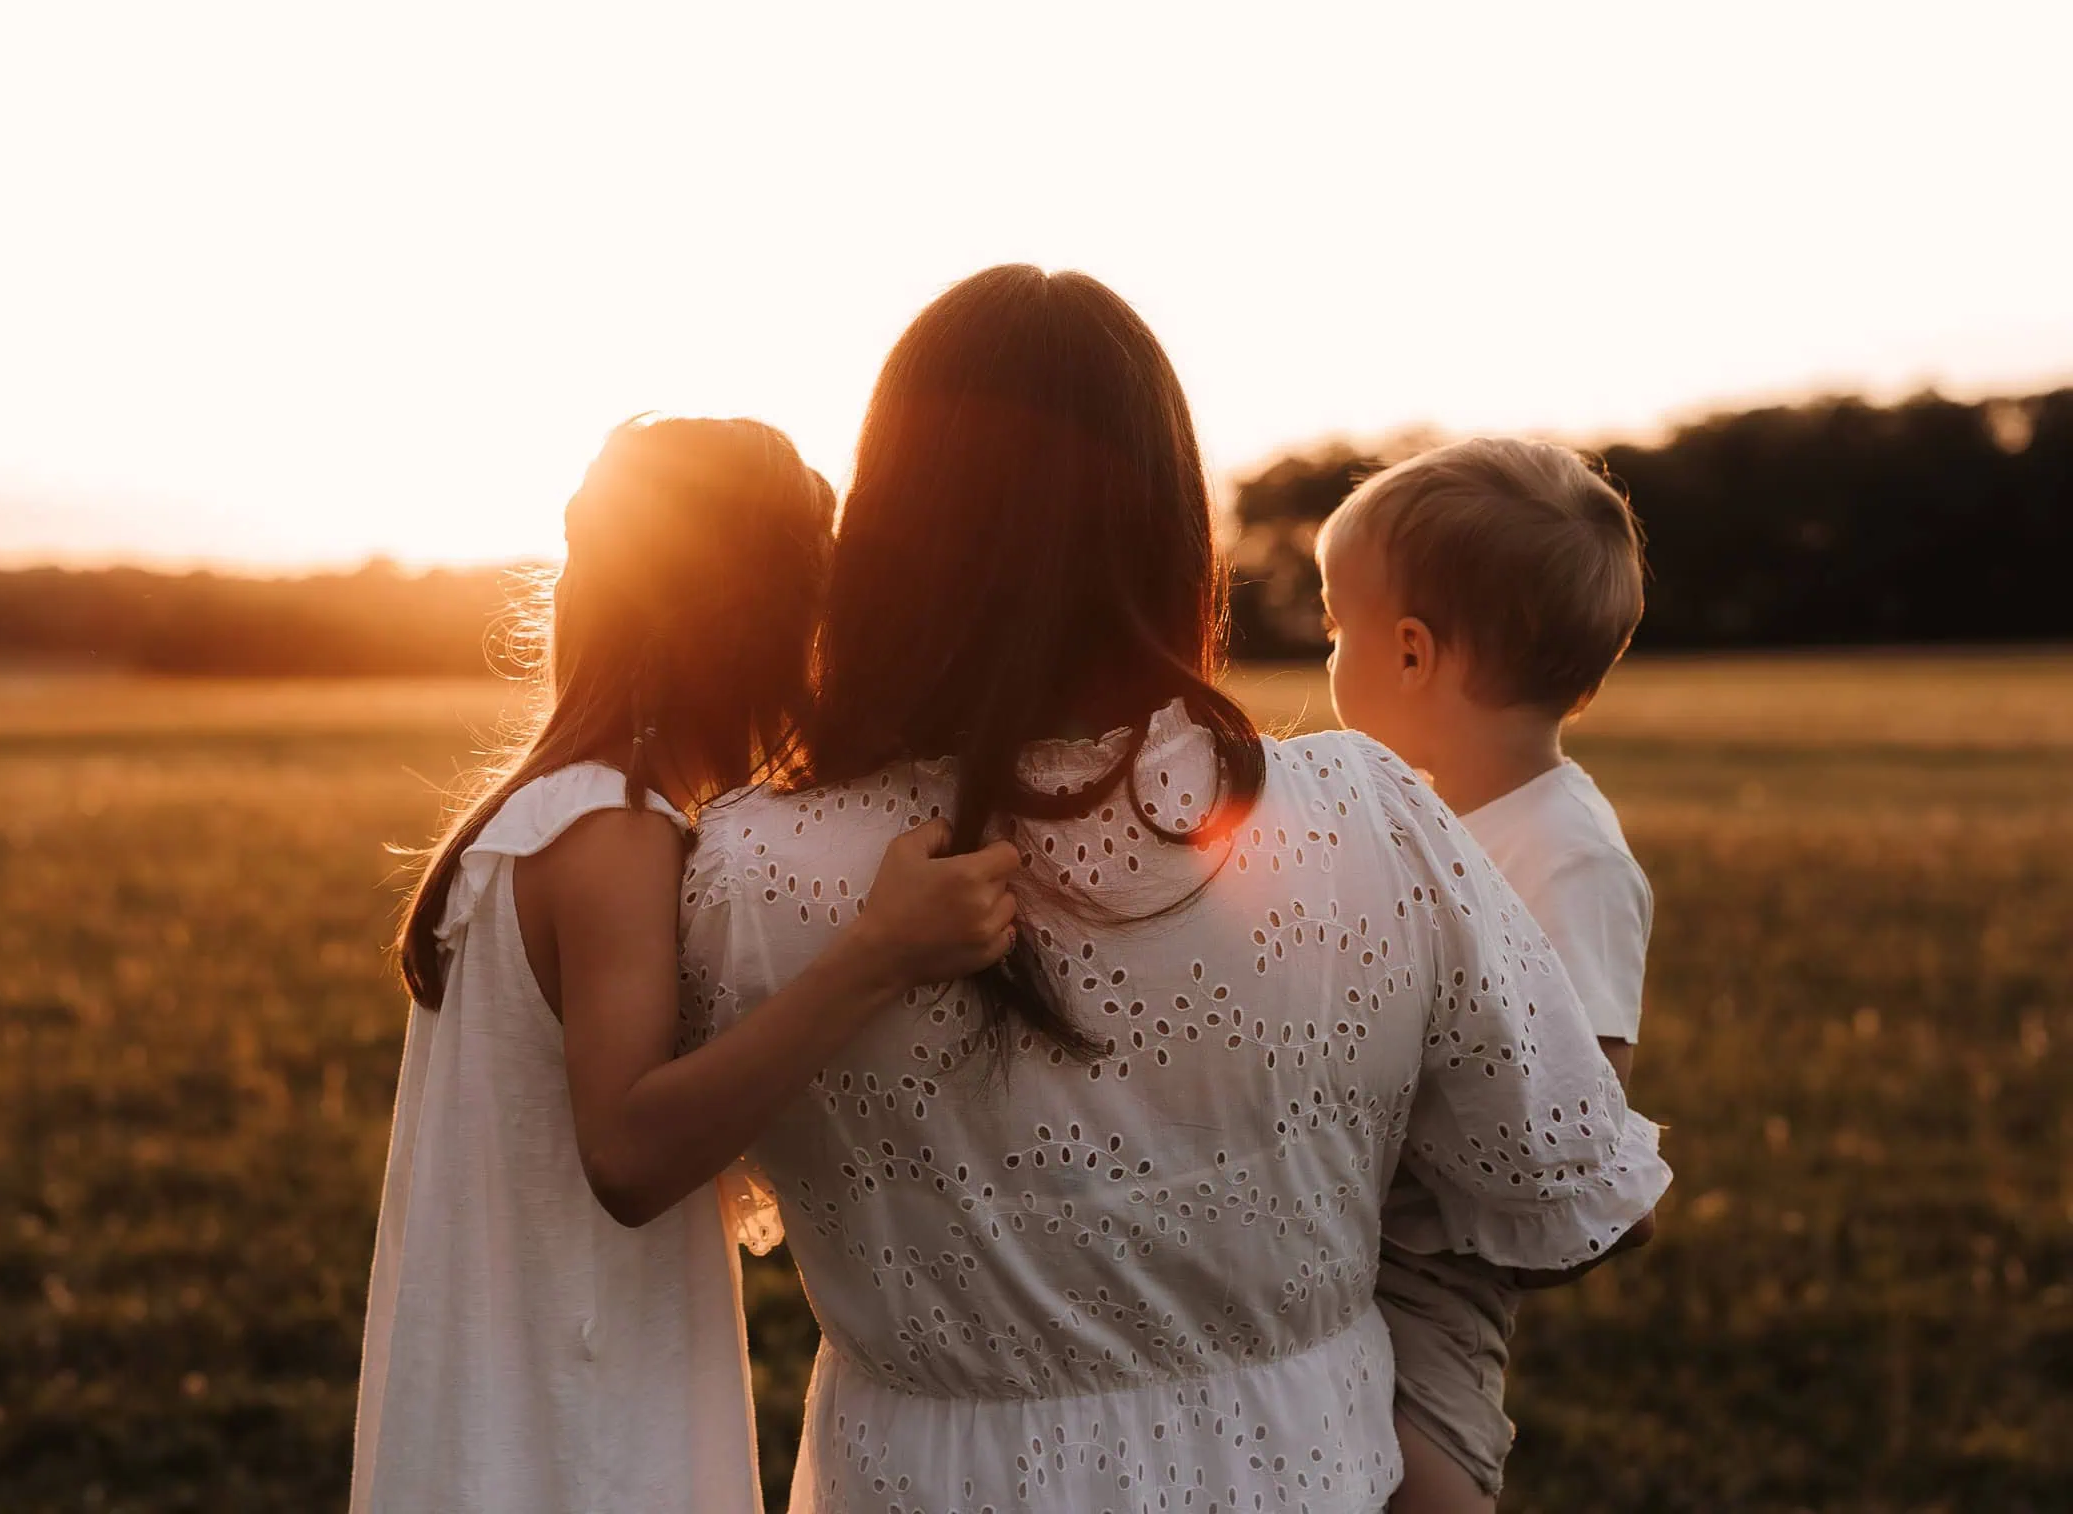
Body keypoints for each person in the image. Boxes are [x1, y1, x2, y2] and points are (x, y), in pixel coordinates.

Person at [677, 267, 1672, 1513]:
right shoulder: (1368, 811)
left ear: (885, 529)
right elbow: (1579, 1201)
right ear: (1170, 527)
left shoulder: (751, 867)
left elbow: (641, 1189)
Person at [349, 416, 1023, 1514]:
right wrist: (878, 955)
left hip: (526, 1391)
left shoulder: (557, 809)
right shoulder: (611, 828)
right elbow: (626, 1150)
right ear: (756, 624)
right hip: (573, 1424)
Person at [1316, 436, 1653, 1513]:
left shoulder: (1566, 851)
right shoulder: (1409, 817)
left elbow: (1577, 1121)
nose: (1327, 653)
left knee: (1417, 1483)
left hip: (1431, 1273)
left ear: (1411, 654)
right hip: (1338, 1228)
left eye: (1334, 626)